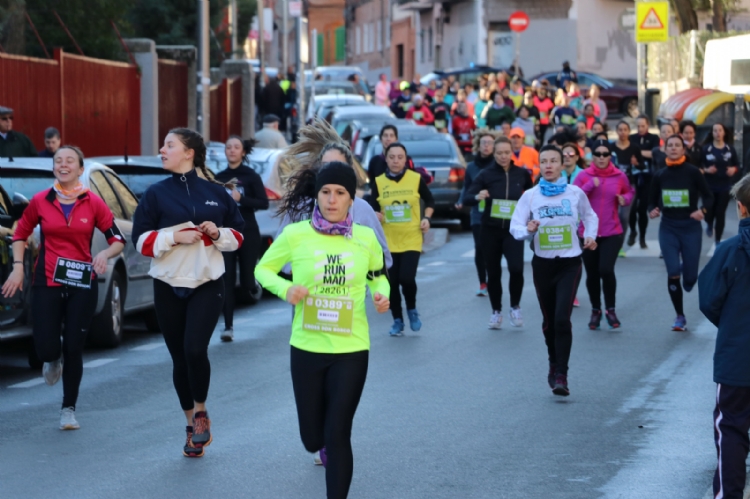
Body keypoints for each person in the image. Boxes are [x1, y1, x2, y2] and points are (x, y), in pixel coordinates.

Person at [255, 162, 390, 499]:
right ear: (317, 196)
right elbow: (263, 269)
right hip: (306, 347)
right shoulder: (295, 235)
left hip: (352, 348)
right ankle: (316, 441)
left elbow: (379, 276)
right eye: (326, 192)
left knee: (338, 432)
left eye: (340, 193)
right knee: (312, 438)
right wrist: (286, 290)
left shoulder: (365, 238)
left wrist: (381, 295)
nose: (332, 199)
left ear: (351, 199)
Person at [132, 128, 245, 457]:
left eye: (169, 145)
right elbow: (139, 242)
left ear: (189, 153)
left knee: (196, 350)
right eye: (163, 144)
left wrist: (217, 232)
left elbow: (238, 236)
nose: (161, 149)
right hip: (167, 285)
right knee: (179, 358)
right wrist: (173, 238)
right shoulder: (155, 194)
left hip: (206, 284)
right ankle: (189, 423)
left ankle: (201, 411)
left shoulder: (215, 193)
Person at [1, 145, 125, 429]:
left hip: (83, 282)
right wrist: (18, 268)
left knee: (74, 346)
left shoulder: (93, 202)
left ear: (80, 169)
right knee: (45, 346)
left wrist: (105, 255)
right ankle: (51, 358)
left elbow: (117, 238)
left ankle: (68, 409)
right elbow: (20, 233)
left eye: (70, 161)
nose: (63, 164)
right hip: (47, 280)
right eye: (58, 161)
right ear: (54, 167)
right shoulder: (41, 201)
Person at [510, 145, 598, 396]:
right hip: (543, 265)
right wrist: (529, 229)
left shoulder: (575, 193)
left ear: (562, 165)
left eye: (553, 161)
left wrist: (590, 236)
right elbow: (515, 228)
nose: (548, 165)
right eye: (544, 161)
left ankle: (562, 373)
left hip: (570, 263)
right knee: (550, 321)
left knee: (562, 318)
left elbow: (590, 217)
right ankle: (553, 361)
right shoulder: (530, 196)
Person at [697, 174, 750, 499]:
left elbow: (708, 300)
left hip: (737, 357)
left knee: (730, 428)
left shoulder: (730, 251)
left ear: (741, 208)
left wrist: (731, 324)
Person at [464, 136, 533, 329]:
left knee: (516, 269)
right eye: (499, 153)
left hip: (513, 231)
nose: (503, 156)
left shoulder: (521, 174)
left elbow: (533, 195)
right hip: (490, 230)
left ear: (512, 153)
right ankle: (496, 311)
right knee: (493, 273)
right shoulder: (486, 175)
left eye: (506, 153)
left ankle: (515, 307)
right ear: (494, 154)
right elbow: (468, 196)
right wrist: (478, 196)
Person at [648, 135, 713, 331]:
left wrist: (702, 211)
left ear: (683, 150)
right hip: (668, 227)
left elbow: (709, 198)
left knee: (690, 279)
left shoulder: (693, 173)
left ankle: (688, 271)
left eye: (678, 145)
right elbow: (651, 201)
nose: (674, 148)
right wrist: (653, 210)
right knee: (673, 272)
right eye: (670, 146)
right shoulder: (660, 175)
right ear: (665, 150)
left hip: (690, 227)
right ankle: (680, 316)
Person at [369, 142, 435, 336]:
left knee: (407, 278)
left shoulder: (415, 179)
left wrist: (427, 218)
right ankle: (397, 320)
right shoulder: (379, 182)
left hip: (411, 237)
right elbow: (372, 208)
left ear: (406, 160)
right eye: (392, 157)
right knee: (392, 283)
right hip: (388, 241)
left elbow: (430, 200)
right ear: (386, 159)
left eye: (400, 157)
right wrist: (376, 215)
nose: (396, 161)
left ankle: (412, 310)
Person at [573, 140, 634, 329]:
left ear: (610, 156)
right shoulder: (584, 176)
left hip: (611, 231)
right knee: (592, 274)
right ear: (592, 156)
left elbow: (629, 191)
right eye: (597, 154)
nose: (601, 157)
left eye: (605, 154)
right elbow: (573, 198)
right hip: (588, 233)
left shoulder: (619, 176)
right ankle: (595, 310)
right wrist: (590, 185)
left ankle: (611, 309)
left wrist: (625, 199)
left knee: (606, 270)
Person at [213, 136, 269, 341]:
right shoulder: (220, 177)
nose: (232, 150)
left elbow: (263, 202)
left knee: (246, 281)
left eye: (236, 147)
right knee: (226, 279)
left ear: (243, 152)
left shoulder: (251, 176)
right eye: (228, 147)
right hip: (227, 233)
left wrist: (241, 199)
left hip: (248, 230)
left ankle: (253, 285)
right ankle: (228, 327)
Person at [458, 130, 498, 296]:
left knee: (493, 249)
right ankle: (483, 283)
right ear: (478, 146)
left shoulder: (498, 165)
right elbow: (467, 187)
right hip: (477, 213)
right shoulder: (472, 167)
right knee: (479, 248)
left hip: (495, 212)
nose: (486, 145)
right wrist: (461, 200)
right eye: (483, 143)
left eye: (489, 143)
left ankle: (493, 280)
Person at [701, 123, 739, 244]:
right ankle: (708, 222)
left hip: (724, 186)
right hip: (709, 186)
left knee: (720, 212)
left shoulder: (730, 149)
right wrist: (707, 170)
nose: (717, 133)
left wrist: (734, 170)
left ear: (724, 132)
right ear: (712, 133)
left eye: (720, 130)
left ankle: (718, 239)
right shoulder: (706, 149)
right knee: (709, 210)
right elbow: (699, 166)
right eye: (715, 130)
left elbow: (737, 165)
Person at [629, 115, 660, 249]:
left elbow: (654, 153)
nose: (640, 128)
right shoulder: (631, 138)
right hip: (633, 177)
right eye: (638, 126)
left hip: (648, 177)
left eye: (643, 126)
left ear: (647, 125)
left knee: (643, 210)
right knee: (631, 209)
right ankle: (632, 231)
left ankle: (642, 236)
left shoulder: (654, 138)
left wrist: (637, 153)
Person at [611, 120, 641, 254]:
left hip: (629, 186)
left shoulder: (634, 148)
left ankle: (619, 245)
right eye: (620, 129)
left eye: (625, 129)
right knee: (612, 215)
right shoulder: (611, 148)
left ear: (629, 131)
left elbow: (643, 166)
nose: (622, 132)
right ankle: (611, 242)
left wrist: (636, 164)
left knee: (624, 216)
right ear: (616, 131)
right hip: (613, 186)